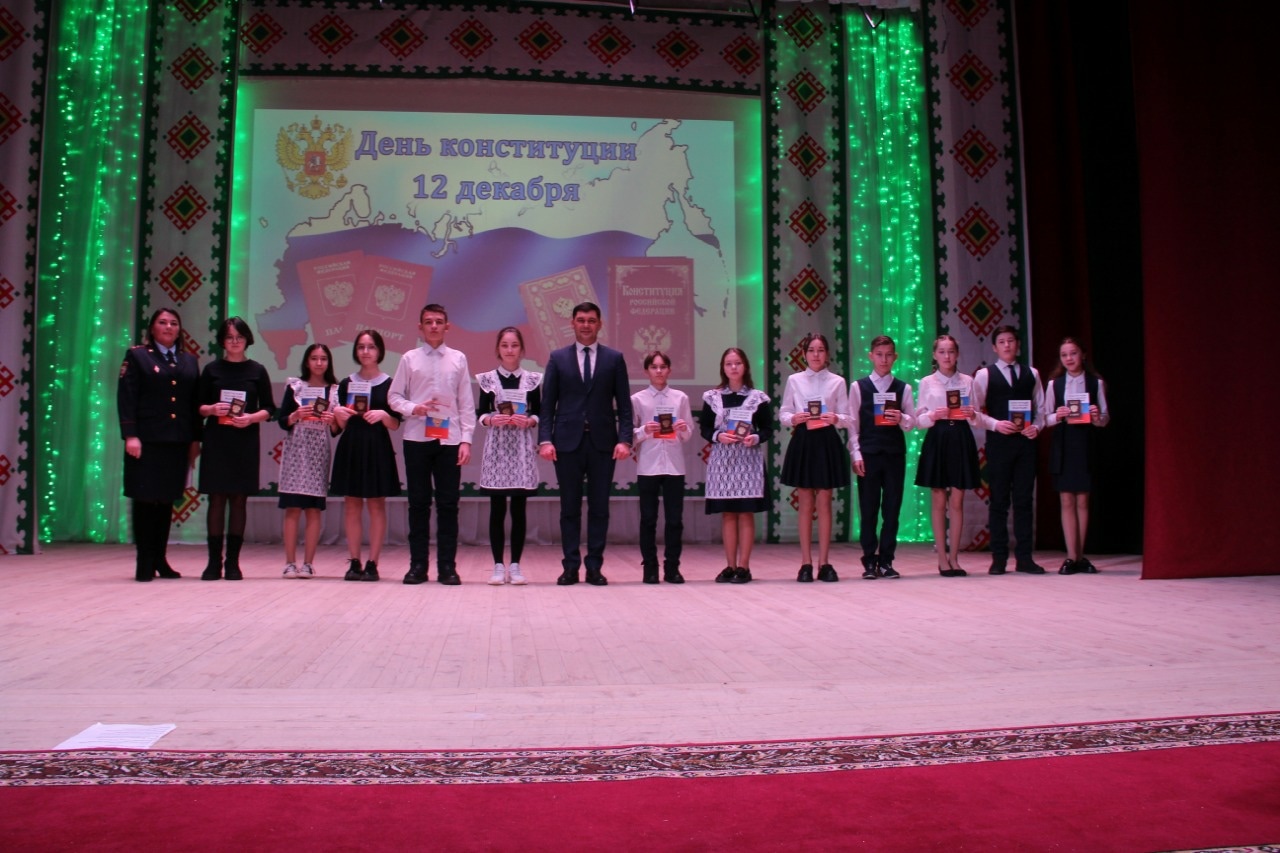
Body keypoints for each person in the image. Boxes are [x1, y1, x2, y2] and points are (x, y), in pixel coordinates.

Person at [538, 302, 633, 586]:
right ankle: (570, 566)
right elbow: (547, 405)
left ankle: (594, 567)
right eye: (581, 320)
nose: (586, 325)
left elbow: (624, 405)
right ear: (572, 323)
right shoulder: (558, 358)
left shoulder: (614, 358)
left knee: (599, 507)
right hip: (566, 444)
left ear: (599, 324)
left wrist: (625, 439)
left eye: (591, 320)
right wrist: (545, 439)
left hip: (603, 443)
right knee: (569, 508)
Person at [389, 305, 475, 585]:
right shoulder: (409, 358)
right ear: (420, 327)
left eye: (439, 322)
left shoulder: (458, 359)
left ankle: (447, 567)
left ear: (447, 326)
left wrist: (466, 440)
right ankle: (417, 566)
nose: (434, 326)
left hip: (450, 441)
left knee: (448, 505)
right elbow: (394, 397)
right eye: (429, 322)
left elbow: (466, 402)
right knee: (418, 504)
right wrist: (414, 408)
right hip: (417, 439)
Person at [116, 307, 201, 582]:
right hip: (146, 440)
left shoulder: (189, 361)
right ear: (152, 328)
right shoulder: (138, 356)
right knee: (144, 500)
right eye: (162, 322)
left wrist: (195, 439)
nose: (168, 327)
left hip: (176, 441)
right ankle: (144, 561)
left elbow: (192, 404)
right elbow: (127, 397)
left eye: (173, 323)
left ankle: (159, 558)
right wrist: (130, 435)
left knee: (165, 500)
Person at [197, 317, 275, 580]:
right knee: (217, 499)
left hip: (245, 440)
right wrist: (211, 409)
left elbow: (270, 408)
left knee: (239, 500)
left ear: (247, 340)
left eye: (239, 337)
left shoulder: (257, 370)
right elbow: (198, 406)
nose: (234, 342)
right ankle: (213, 562)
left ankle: (233, 563)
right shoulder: (211, 370)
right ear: (222, 340)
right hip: (217, 440)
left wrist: (252, 418)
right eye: (229, 337)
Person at [973, 325, 1047, 575]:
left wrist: (1036, 427)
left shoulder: (1032, 373)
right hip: (999, 444)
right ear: (995, 347)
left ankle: (1025, 558)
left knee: (1024, 500)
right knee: (999, 501)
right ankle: (999, 558)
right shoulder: (985, 375)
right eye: (1002, 342)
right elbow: (974, 413)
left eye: (1011, 341)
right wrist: (995, 424)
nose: (1007, 345)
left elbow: (1041, 409)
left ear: (1018, 345)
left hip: (1026, 444)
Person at [779, 333, 852, 583]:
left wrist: (836, 418)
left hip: (827, 440)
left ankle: (825, 562)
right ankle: (805, 563)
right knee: (805, 501)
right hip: (804, 439)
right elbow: (784, 412)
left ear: (827, 354)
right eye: (811, 350)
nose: (816, 354)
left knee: (825, 501)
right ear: (804, 354)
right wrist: (793, 418)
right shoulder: (795, 380)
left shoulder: (837, 382)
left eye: (820, 350)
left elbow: (847, 417)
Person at [331, 330, 401, 582]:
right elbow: (337, 428)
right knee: (351, 504)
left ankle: (373, 563)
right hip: (351, 446)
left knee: (376, 504)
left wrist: (384, 415)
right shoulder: (345, 383)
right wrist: (338, 415)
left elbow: (396, 424)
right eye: (361, 347)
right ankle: (354, 561)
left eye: (371, 347)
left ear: (379, 351)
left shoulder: (390, 383)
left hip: (377, 447)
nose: (366, 351)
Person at [475, 327, 542, 586]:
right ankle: (497, 565)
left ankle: (515, 565)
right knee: (497, 508)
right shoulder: (488, 380)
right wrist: (491, 419)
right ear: (498, 349)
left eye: (514, 345)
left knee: (519, 508)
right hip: (497, 447)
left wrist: (531, 420)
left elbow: (540, 412)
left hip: (522, 448)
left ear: (522, 349)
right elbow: (480, 413)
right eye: (505, 345)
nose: (510, 350)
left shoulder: (532, 379)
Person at [700, 347, 772, 584]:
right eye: (729, 363)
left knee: (745, 513)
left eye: (738, 363)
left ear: (745, 366)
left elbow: (768, 429)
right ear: (723, 368)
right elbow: (705, 428)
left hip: (748, 460)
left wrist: (756, 437)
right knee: (728, 514)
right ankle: (730, 565)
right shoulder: (712, 397)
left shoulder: (757, 397)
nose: (733, 367)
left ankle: (744, 567)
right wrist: (717, 436)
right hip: (722, 460)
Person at [849, 335, 916, 579]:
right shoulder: (858, 387)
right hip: (868, 454)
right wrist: (855, 453)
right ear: (871, 356)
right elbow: (853, 424)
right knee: (868, 509)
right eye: (879, 355)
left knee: (891, 509)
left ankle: (886, 560)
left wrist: (902, 418)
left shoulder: (903, 388)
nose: (884, 359)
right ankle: (869, 560)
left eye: (888, 355)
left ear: (895, 357)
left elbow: (912, 422)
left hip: (894, 455)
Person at [914, 334, 981, 576]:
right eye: (942, 352)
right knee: (938, 498)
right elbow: (918, 420)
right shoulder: (927, 382)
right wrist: (933, 415)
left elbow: (977, 417)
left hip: (961, 436)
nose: (947, 356)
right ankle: (942, 557)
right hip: (938, 437)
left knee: (957, 499)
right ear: (934, 355)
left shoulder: (968, 381)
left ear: (957, 354)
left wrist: (972, 414)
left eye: (951, 351)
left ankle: (955, 557)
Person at [1044, 337, 1110, 575]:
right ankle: (1071, 556)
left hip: (1085, 443)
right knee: (1066, 500)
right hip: (1064, 443)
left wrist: (1097, 416)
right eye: (1064, 355)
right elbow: (1045, 418)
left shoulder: (1095, 383)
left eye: (1073, 353)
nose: (1069, 358)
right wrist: (1058, 415)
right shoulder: (1055, 384)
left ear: (1083, 354)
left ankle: (1080, 556)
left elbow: (1105, 419)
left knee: (1083, 500)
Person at [630, 351, 693, 584]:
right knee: (648, 519)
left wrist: (683, 428)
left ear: (669, 370)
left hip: (674, 466)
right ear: (646, 371)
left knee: (674, 520)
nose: (658, 371)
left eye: (663, 367)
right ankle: (650, 567)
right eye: (654, 367)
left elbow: (688, 434)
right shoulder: (638, 399)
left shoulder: (680, 398)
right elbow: (629, 435)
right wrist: (644, 430)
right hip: (648, 465)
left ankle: (672, 567)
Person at [276, 343, 338, 579]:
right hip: (296, 450)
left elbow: (336, 430)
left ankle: (309, 563)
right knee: (292, 508)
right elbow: (282, 420)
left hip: (318, 452)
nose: (319, 363)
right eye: (314, 358)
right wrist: (295, 415)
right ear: (307, 361)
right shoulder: (295, 386)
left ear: (328, 362)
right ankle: (290, 563)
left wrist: (333, 420)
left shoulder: (334, 390)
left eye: (323, 359)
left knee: (313, 509)